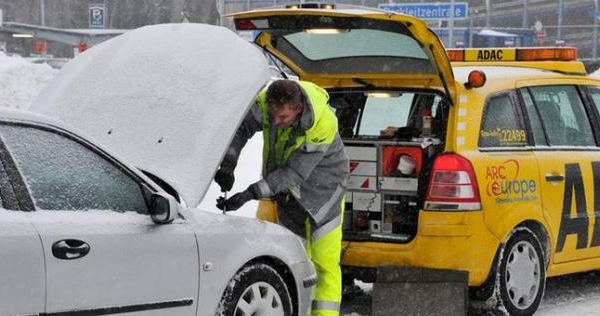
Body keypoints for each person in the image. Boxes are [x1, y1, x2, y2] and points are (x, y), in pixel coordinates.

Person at [215, 79, 349, 316]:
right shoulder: (267, 105)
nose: (276, 122)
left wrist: (250, 194)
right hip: (287, 195)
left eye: (283, 118)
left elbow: (294, 173)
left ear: (298, 109)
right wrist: (228, 163)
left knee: (324, 265)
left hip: (324, 192)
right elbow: (240, 129)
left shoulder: (322, 124)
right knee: (294, 261)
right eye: (273, 116)